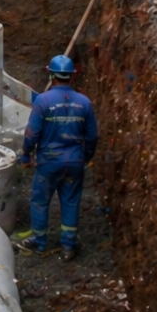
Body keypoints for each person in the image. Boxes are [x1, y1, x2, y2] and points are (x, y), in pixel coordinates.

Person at [15, 54, 98, 261]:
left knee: (40, 200)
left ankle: (40, 241)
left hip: (49, 163)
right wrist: (85, 157)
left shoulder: (43, 101)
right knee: (70, 201)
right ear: (71, 76)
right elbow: (93, 136)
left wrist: (26, 155)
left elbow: (31, 133)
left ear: (51, 74)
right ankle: (68, 246)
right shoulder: (84, 103)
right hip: (75, 162)